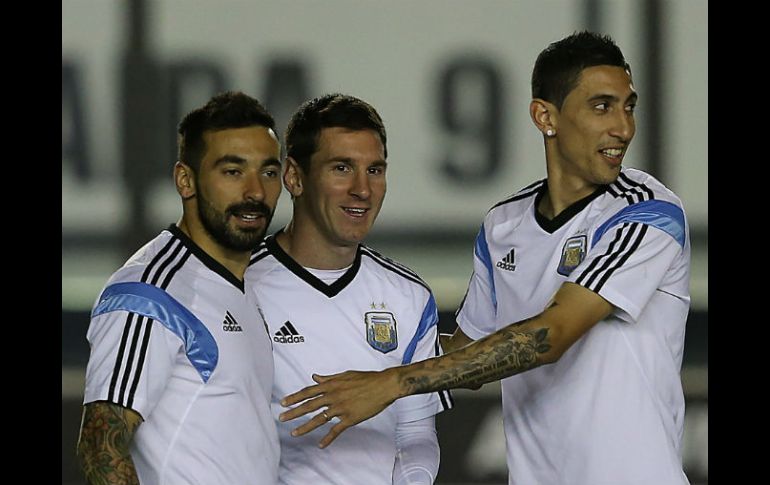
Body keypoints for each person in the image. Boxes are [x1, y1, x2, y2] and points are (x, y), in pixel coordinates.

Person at [279, 32, 692, 485]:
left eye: (628, 106)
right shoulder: (503, 225)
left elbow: (549, 337)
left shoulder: (647, 211)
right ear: (544, 116)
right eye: (602, 106)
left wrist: (391, 383)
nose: (624, 128)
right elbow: (467, 356)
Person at [245, 93, 453, 485]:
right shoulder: (239, 287)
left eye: (375, 170)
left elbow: (414, 435)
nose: (362, 189)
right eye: (342, 168)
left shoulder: (408, 296)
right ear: (294, 176)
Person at [76, 91, 283, 485]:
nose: (255, 192)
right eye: (232, 171)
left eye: (268, 172)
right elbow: (102, 446)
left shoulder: (242, 284)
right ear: (185, 180)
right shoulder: (152, 292)